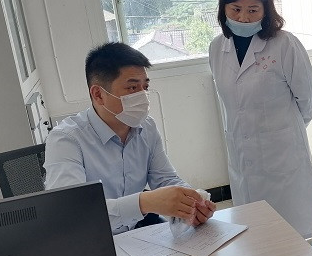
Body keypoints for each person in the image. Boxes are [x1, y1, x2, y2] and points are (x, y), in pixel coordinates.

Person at [44, 42, 216, 234]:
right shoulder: (66, 140)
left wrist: (193, 201)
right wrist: (143, 202)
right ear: (98, 94)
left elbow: (165, 178)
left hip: (136, 235)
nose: (143, 97)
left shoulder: (146, 127)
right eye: (132, 88)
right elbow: (73, 212)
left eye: (145, 87)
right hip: (92, 240)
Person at [209, 0, 312, 238]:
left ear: (266, 9)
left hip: (283, 156)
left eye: (253, 10)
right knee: (255, 236)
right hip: (242, 155)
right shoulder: (217, 48)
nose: (243, 18)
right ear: (224, 8)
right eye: (236, 9)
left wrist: (284, 131)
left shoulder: (285, 45)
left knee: (295, 236)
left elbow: (308, 96)